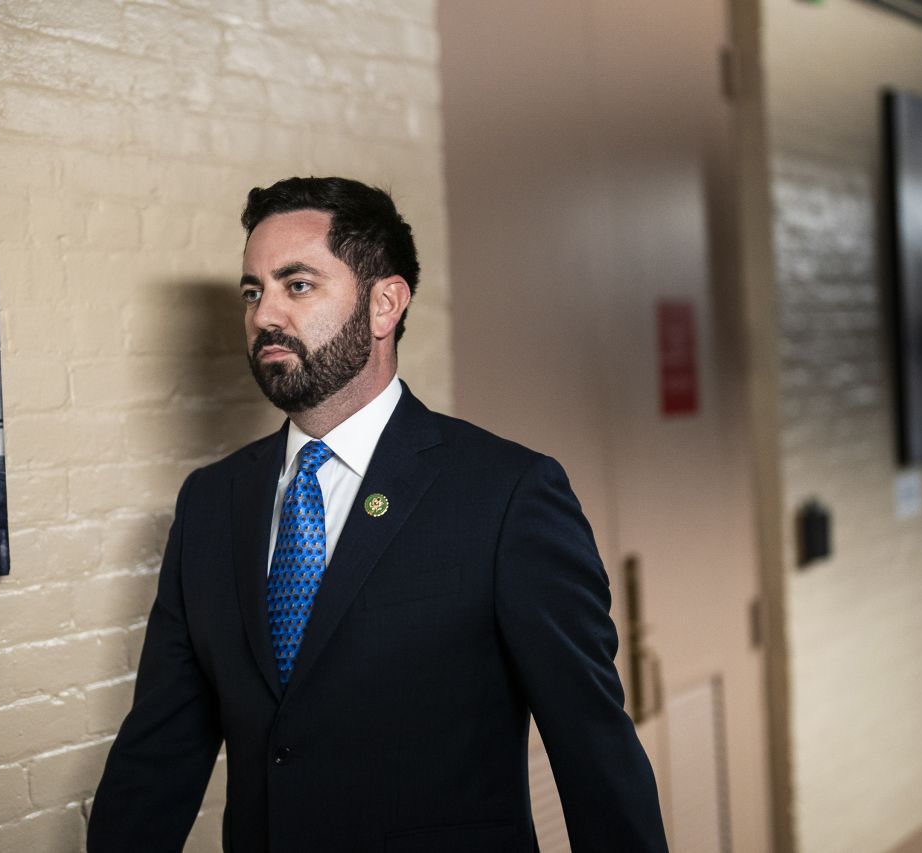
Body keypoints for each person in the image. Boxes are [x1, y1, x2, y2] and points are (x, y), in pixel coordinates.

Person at [87, 177, 667, 852]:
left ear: (385, 303)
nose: (264, 315)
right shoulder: (211, 504)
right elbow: (158, 756)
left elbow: (595, 754)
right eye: (254, 291)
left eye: (296, 285)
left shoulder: (507, 495)